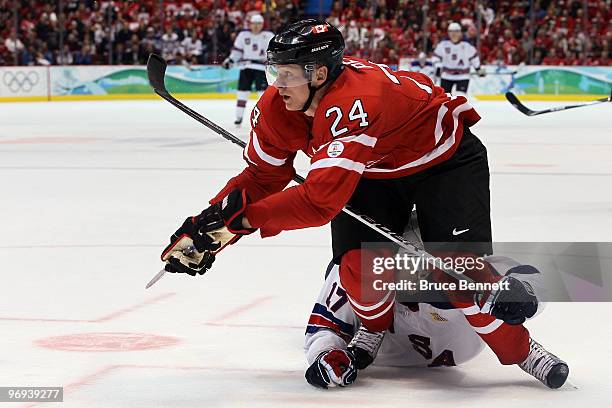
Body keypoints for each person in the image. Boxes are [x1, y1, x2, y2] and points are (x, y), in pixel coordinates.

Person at [160, 19, 496, 373]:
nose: (277, 84)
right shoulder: (279, 105)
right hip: (374, 169)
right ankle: (371, 325)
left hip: (442, 159)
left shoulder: (354, 101)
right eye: (275, 71)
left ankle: (516, 335)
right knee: (359, 263)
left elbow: (319, 203)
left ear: (318, 74)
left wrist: (240, 222)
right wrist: (210, 226)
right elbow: (263, 176)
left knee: (459, 270)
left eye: (287, 74)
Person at [303, 220, 569, 390]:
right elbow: (323, 327)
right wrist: (326, 355)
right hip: (389, 351)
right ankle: (372, 329)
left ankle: (523, 351)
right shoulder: (362, 267)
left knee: (464, 280)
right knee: (357, 270)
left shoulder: (458, 261)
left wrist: (523, 295)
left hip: (457, 342)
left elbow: (524, 274)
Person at [222, 14, 274, 125]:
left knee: (263, 95)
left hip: (261, 69)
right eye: (254, 24)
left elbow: (274, 52)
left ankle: (267, 118)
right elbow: (237, 52)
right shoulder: (243, 35)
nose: (256, 26)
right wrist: (230, 60)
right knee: (242, 93)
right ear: (250, 24)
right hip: (246, 68)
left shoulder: (268, 35)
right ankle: (238, 118)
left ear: (262, 24)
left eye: (258, 24)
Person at [432, 22, 485, 95]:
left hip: (463, 76)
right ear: (448, 32)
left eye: (456, 31)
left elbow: (474, 58)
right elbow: (435, 57)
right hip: (446, 76)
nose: (454, 34)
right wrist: (438, 66)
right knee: (444, 99)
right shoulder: (443, 44)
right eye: (451, 31)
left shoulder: (467, 45)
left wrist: (478, 69)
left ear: (460, 32)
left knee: (461, 98)